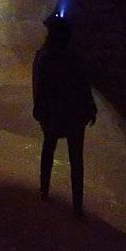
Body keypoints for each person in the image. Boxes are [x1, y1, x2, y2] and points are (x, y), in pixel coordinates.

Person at [33, 14, 97, 215]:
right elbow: (82, 85)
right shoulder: (72, 57)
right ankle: (77, 206)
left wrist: (40, 111)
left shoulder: (43, 57)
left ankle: (44, 190)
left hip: (54, 114)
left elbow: (38, 88)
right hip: (73, 115)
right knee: (76, 159)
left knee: (49, 149)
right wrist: (90, 108)